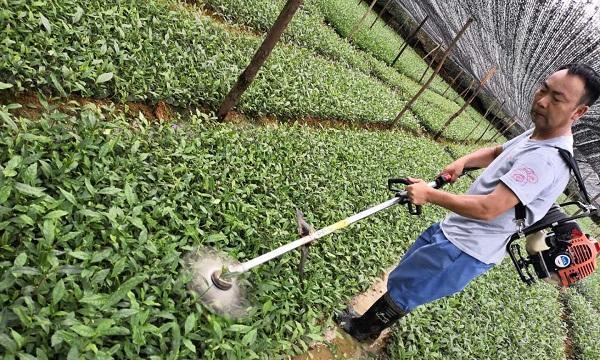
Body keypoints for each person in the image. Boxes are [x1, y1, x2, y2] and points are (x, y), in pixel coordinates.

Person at [336, 63, 600, 342]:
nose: (542, 100)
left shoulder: (545, 159)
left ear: (578, 112)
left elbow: (489, 209)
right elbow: (498, 151)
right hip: (457, 233)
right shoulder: (539, 133)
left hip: (465, 248)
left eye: (557, 98)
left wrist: (430, 194)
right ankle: (365, 323)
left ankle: (363, 331)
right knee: (407, 277)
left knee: (409, 288)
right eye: (543, 88)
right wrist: (463, 162)